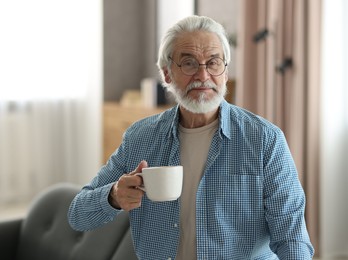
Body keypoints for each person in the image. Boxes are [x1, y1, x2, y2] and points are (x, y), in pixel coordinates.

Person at [68, 15, 314, 259]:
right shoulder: (140, 138)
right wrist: (113, 196)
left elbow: (292, 238)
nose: (203, 76)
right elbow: (78, 214)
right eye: (189, 63)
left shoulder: (264, 140)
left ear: (226, 72)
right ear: (167, 74)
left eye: (214, 62)